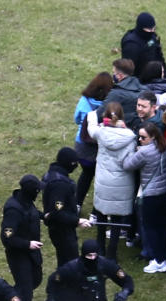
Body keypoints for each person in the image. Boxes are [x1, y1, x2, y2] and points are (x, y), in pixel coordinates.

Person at [87, 102, 137, 260]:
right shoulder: (130, 137)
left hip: (104, 178)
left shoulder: (101, 133)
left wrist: (92, 115)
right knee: (117, 218)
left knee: (101, 213)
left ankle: (100, 246)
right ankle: (112, 252)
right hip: (122, 181)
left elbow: (91, 128)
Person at [0, 175, 45, 301]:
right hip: (19, 254)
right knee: (26, 291)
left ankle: (7, 297)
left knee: (36, 280)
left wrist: (42, 216)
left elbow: (30, 212)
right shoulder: (13, 210)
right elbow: (7, 238)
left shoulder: (25, 201)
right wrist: (27, 244)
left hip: (31, 251)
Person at [42, 147, 92, 291]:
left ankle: (61, 290)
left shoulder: (52, 175)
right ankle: (63, 291)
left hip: (59, 228)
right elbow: (57, 213)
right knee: (70, 263)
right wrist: (77, 221)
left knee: (65, 261)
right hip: (62, 229)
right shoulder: (60, 184)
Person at [123, 122, 166, 272]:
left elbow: (127, 165)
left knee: (151, 228)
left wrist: (133, 152)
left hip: (151, 194)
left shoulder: (144, 152)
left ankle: (157, 260)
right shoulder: (164, 145)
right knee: (162, 226)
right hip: (164, 191)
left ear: (153, 137)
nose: (140, 140)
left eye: (143, 138)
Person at [72, 73, 113, 213]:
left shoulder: (84, 100)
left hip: (82, 146)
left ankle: (77, 204)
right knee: (100, 180)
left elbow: (77, 119)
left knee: (86, 174)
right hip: (100, 146)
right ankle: (97, 213)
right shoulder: (109, 104)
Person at [121, 12, 166, 78]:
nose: (152, 31)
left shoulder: (153, 37)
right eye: (149, 29)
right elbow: (128, 70)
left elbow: (159, 57)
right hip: (140, 81)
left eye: (154, 28)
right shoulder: (131, 44)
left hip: (155, 77)